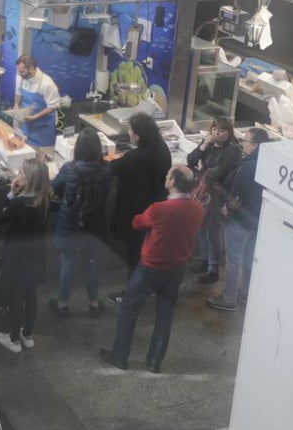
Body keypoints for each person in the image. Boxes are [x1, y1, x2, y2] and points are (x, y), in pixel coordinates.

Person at [99, 165, 205, 373]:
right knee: (165, 315)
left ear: (173, 182)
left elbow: (137, 223)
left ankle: (120, 356)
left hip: (151, 266)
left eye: (168, 175)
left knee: (130, 309)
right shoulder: (197, 208)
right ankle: (155, 361)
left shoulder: (160, 209)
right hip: (177, 267)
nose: (166, 177)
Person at [104, 113, 172, 306]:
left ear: (138, 136)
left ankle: (131, 294)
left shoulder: (135, 157)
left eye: (130, 131)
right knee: (148, 250)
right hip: (156, 207)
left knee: (135, 254)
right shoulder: (162, 148)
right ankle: (149, 287)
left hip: (135, 211)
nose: (129, 133)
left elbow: (112, 169)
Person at [49, 129, 112, 319]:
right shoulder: (106, 170)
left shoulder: (69, 168)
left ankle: (63, 304)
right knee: (90, 262)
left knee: (68, 262)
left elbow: (56, 188)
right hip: (94, 225)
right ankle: (93, 303)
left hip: (69, 225)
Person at [207, 128, 268, 312]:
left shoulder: (247, 167)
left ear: (255, 145)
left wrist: (223, 195)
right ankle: (244, 294)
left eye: (246, 141)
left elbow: (235, 199)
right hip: (257, 221)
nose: (243, 144)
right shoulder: (269, 164)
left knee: (234, 261)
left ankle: (228, 298)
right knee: (249, 260)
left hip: (240, 221)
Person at [0, 159, 49, 353]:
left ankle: (14, 339)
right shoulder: (43, 201)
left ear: (30, 179)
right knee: (30, 294)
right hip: (35, 256)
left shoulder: (19, 203)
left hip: (16, 256)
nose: (18, 174)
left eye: (22, 173)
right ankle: (28, 334)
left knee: (15, 295)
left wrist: (10, 193)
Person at [185, 116, 241, 284]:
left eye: (222, 130)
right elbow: (190, 160)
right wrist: (203, 145)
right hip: (203, 193)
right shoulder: (208, 144)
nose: (217, 133)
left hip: (218, 196)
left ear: (229, 132)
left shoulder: (233, 150)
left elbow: (223, 170)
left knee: (213, 232)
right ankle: (203, 260)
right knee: (201, 228)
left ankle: (213, 269)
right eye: (215, 128)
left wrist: (205, 173)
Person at [13, 54, 61, 148]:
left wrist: (35, 116)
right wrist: (16, 105)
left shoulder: (47, 84)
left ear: (31, 69)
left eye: (22, 71)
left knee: (42, 158)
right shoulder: (20, 77)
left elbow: (53, 106)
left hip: (43, 128)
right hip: (27, 125)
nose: (19, 74)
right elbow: (18, 93)